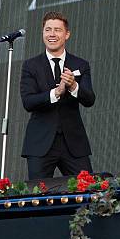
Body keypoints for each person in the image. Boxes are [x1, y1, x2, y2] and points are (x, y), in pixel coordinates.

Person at [20, 11, 96, 179]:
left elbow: (90, 99)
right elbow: (28, 101)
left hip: (73, 143)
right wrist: (56, 92)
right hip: (40, 142)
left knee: (89, 191)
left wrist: (73, 86)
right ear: (43, 33)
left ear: (67, 34)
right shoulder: (31, 65)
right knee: (37, 196)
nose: (52, 34)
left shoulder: (80, 64)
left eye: (57, 30)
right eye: (48, 30)